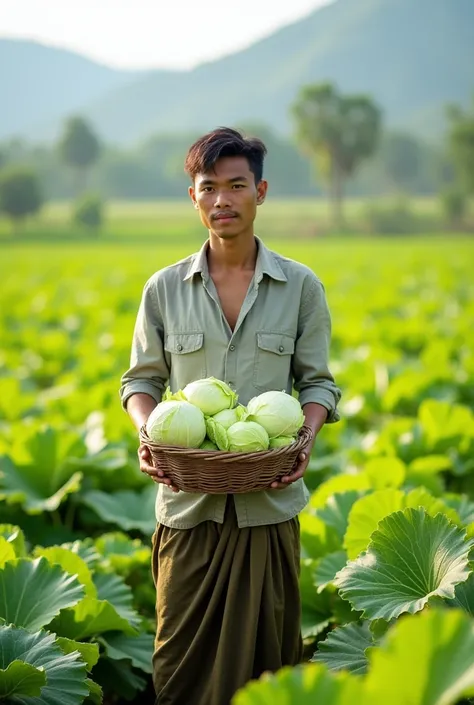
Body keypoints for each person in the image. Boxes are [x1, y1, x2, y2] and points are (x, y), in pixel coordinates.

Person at [119, 126, 341, 705]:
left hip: (267, 506)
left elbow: (317, 384)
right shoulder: (164, 289)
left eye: (236, 185)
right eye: (209, 187)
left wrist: (307, 437)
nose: (223, 200)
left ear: (260, 192)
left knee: (267, 663)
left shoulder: (301, 287)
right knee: (179, 663)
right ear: (193, 198)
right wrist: (150, 432)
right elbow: (140, 381)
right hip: (188, 508)